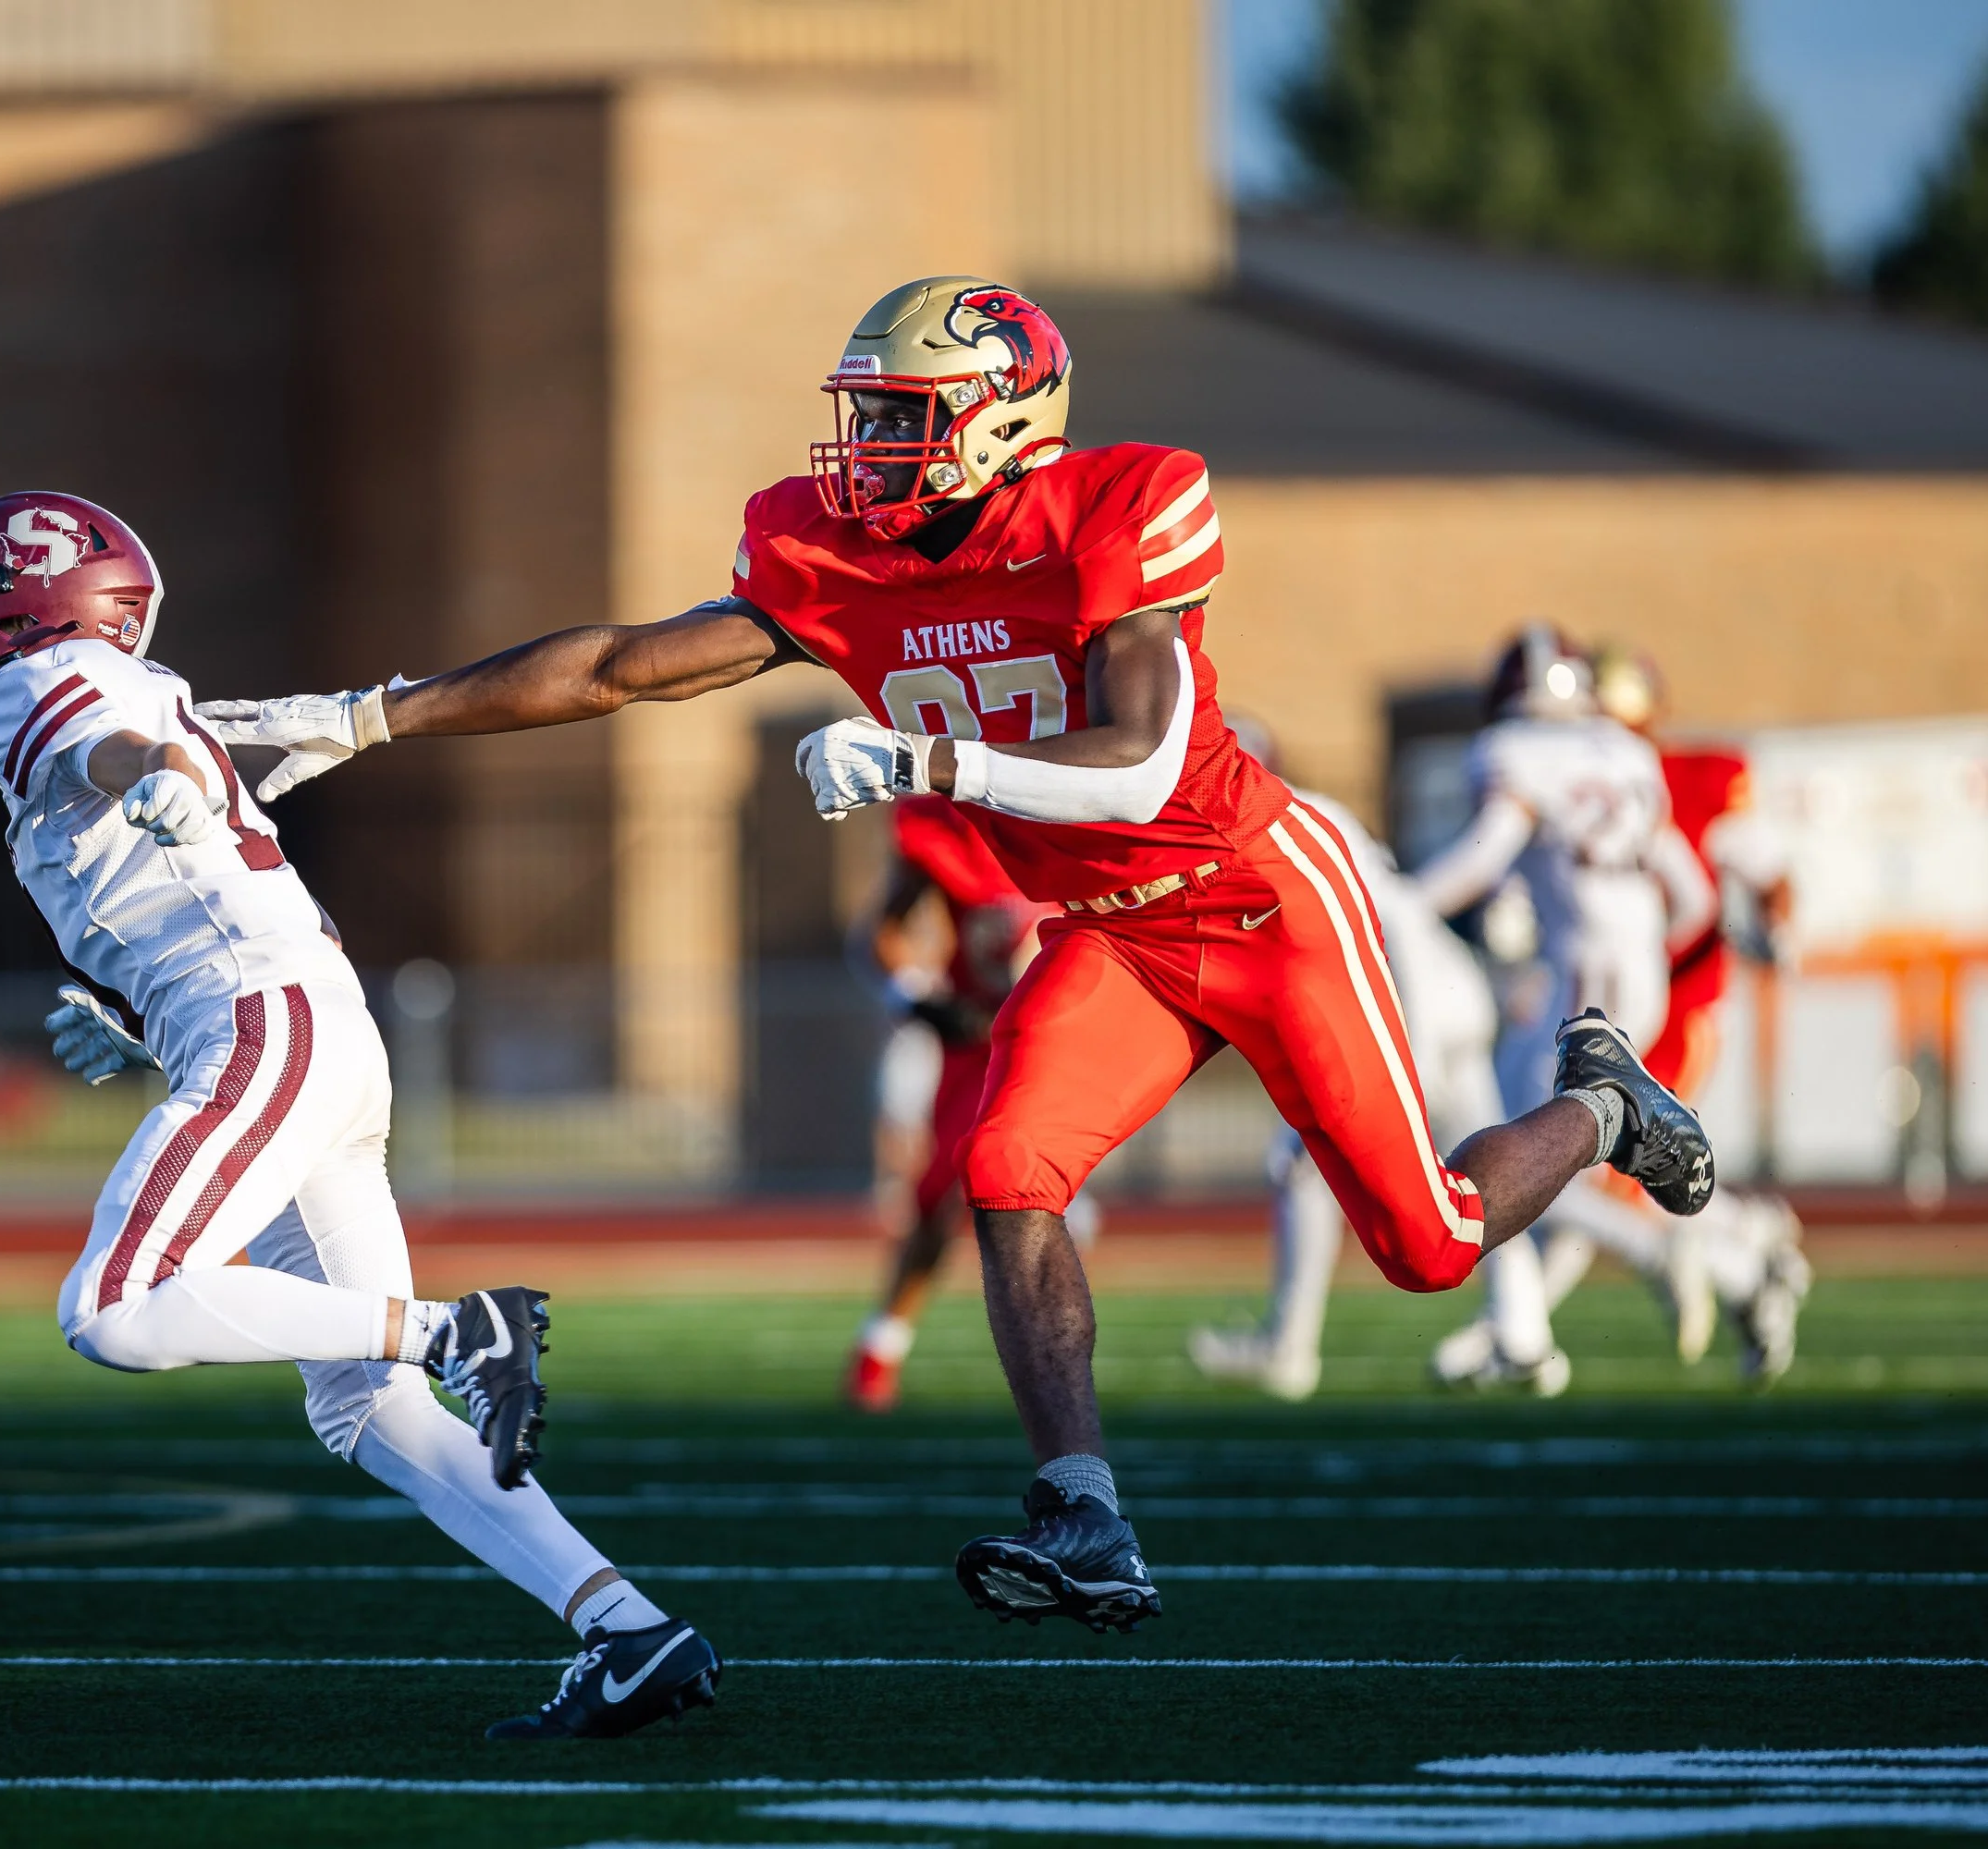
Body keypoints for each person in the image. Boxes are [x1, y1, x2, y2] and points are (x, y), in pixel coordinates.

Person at [199, 277, 1715, 1635]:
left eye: (902, 416)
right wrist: (366, 716)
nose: (861, 448)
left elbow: (1133, 765)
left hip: (1257, 897)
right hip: (1112, 933)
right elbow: (615, 666)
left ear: (1006, 424)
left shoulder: (1113, 514)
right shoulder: (835, 556)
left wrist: (935, 763)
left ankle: (1599, 1102)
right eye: (862, 414)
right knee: (1002, 1175)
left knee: (1431, 1245)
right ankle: (1087, 1514)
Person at [0, 491, 718, 1738]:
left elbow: (118, 752)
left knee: (114, 1312)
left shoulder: (44, 678)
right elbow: (174, 848)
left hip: (263, 1022)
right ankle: (629, 1630)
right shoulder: (111, 685)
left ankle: (459, 1329)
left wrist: (151, 774)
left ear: (30, 598)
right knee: (361, 1405)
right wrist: (129, 1011)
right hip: (297, 1025)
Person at [1416, 627, 1720, 1390]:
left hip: (1575, 980)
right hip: (1637, 978)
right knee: (1575, 1156)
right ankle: (1519, 1333)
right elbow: (1692, 896)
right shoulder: (1625, 751)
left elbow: (1483, 859)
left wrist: (1392, 905)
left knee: (1519, 1155)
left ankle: (1676, 1252)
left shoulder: (1518, 752)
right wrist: (1642, 945)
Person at [1187, 733, 1504, 1400]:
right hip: (1436, 995)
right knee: (1481, 1166)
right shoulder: (1288, 811)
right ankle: (1522, 1327)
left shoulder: (1287, 814)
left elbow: (1399, 920)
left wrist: (1410, 1055)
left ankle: (1289, 1346)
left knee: (1327, 1165)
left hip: (1414, 1001)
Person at [1592, 644, 1810, 1381]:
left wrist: (1774, 930)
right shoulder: (1583, 781)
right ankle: (1752, 1251)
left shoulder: (1692, 782)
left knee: (1624, 1169)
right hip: (1612, 1010)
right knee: (1616, 1172)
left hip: (1677, 1008)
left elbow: (1767, 873)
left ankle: (1749, 1248)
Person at [847, 793, 1092, 1412]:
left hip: (1065, 1035)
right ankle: (882, 1342)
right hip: (980, 1042)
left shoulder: (1074, 805)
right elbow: (883, 933)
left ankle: (1052, 1361)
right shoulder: (943, 828)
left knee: (1020, 1192)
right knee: (941, 1201)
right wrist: (917, 1000)